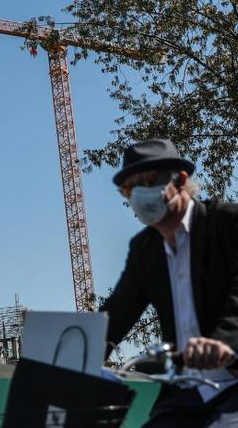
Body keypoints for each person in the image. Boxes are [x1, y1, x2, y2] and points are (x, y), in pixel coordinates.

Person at [101, 138, 238, 427]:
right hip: (186, 389)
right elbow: (118, 312)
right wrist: (75, 350)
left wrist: (221, 342)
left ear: (181, 180)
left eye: (148, 181)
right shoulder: (144, 249)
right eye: (129, 189)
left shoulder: (226, 223)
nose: (138, 195)